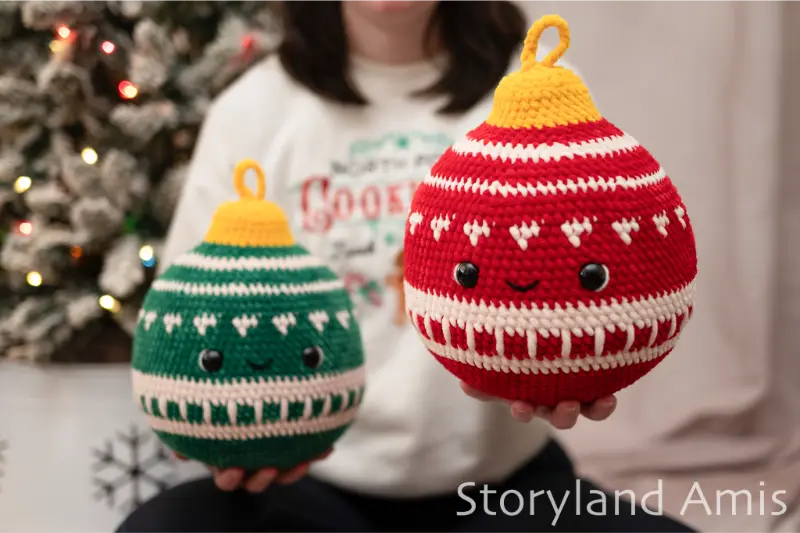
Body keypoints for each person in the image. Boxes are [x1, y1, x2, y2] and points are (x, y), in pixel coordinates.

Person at [117, 1, 697, 531]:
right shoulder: (251, 113)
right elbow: (185, 316)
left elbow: (608, 271)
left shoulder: (533, 93)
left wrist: (576, 356)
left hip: (504, 488)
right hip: (309, 487)